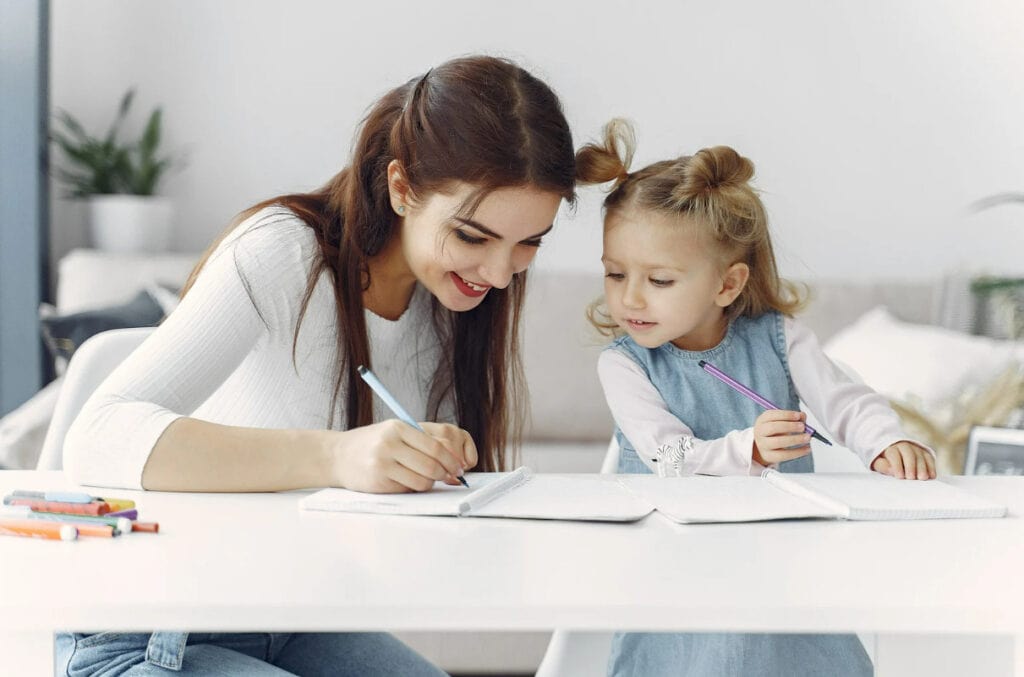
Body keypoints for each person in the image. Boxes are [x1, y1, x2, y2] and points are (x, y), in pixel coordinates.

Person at [57, 55, 577, 676]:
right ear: (402, 187)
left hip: (293, 621)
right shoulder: (283, 253)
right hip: (148, 631)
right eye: (472, 236)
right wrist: (338, 456)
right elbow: (97, 436)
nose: (498, 274)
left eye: (528, 243)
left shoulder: (452, 304)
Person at [576, 119, 935, 677]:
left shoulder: (780, 339)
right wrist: (751, 451)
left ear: (728, 284)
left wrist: (886, 441)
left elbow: (846, 402)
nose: (631, 298)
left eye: (660, 280)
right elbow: (667, 456)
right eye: (615, 274)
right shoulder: (624, 364)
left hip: (780, 566)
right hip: (674, 568)